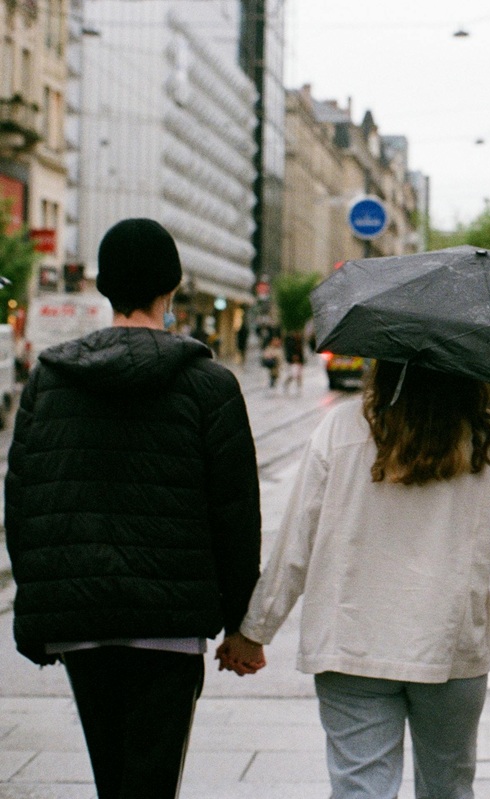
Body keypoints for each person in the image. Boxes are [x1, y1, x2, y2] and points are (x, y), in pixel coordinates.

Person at [4, 217, 263, 799]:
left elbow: (21, 501)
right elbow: (237, 514)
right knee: (151, 781)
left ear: (106, 288)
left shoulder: (50, 379)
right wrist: (245, 623)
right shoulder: (209, 385)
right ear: (170, 290)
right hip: (168, 627)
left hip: (83, 628)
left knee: (111, 776)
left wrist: (40, 610)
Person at [221, 360, 490, 799]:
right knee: (448, 789)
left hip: (350, 643)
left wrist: (255, 631)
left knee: (359, 790)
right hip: (449, 647)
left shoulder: (341, 427)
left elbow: (297, 540)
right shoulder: (488, 437)